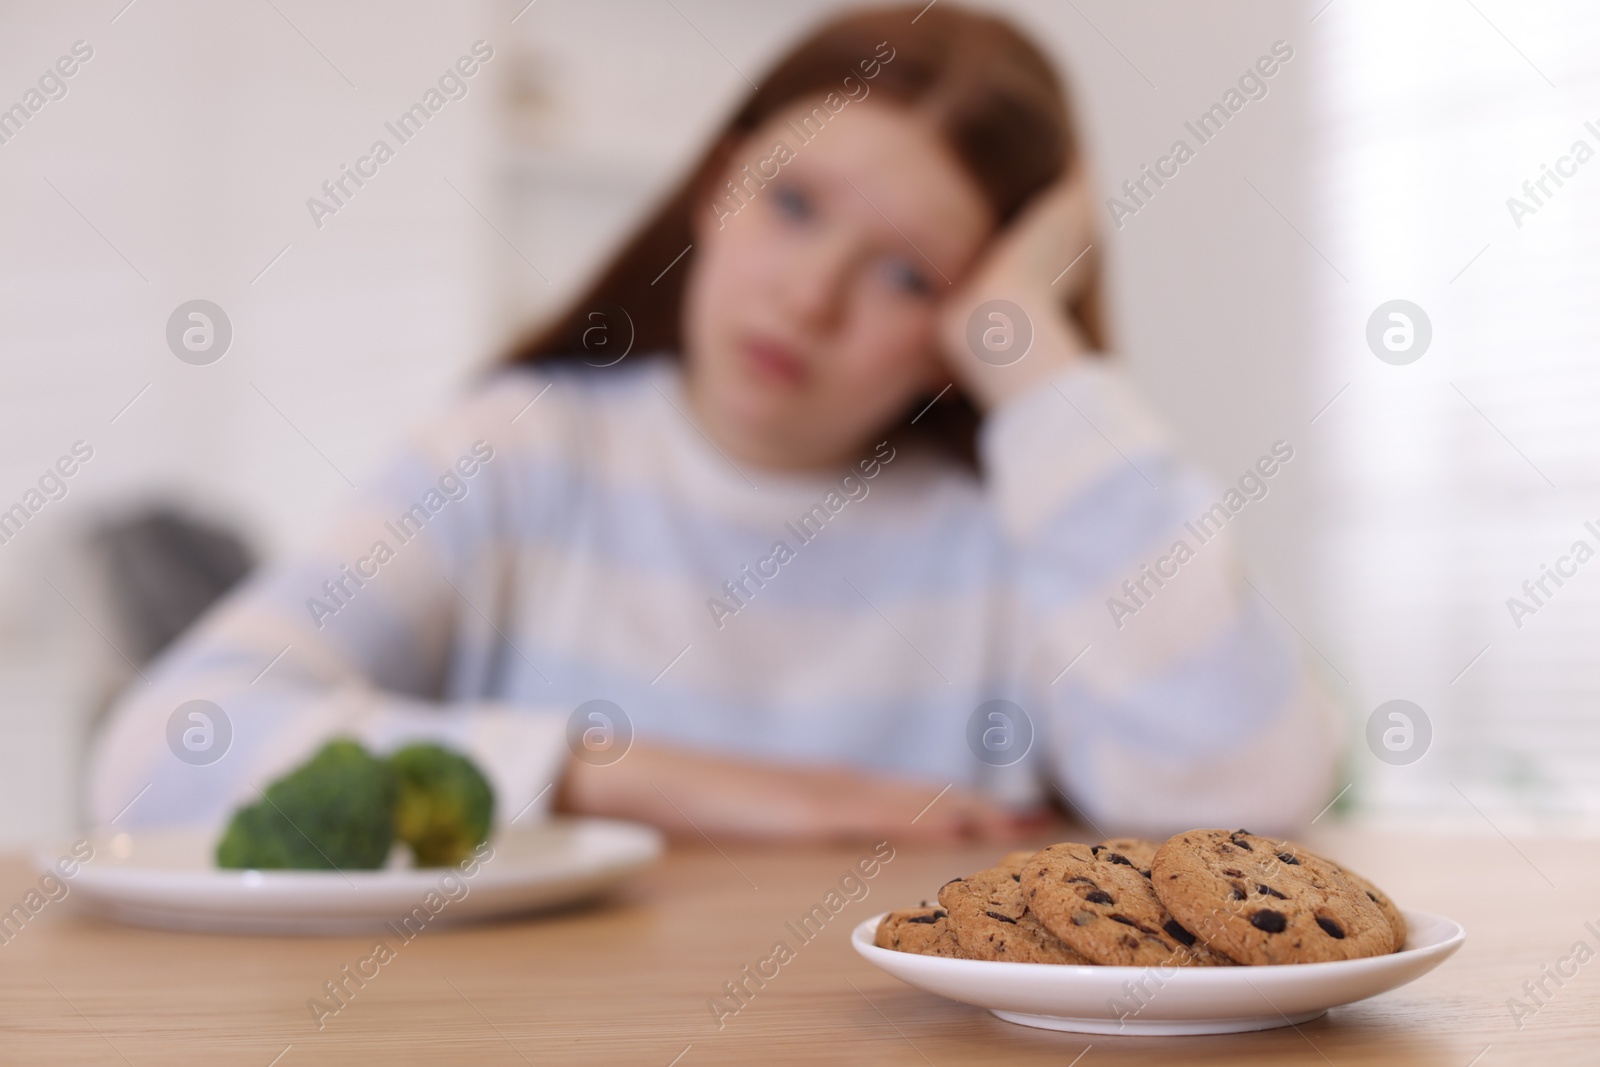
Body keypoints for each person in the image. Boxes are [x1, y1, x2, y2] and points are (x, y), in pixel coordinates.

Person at [88, 4, 1339, 844]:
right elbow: (159, 750)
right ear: (715, 182)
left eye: (910, 275)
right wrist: (701, 786)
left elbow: (1254, 803)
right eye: (792, 203)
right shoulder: (514, 456)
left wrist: (1034, 350)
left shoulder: (1020, 534)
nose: (809, 294)